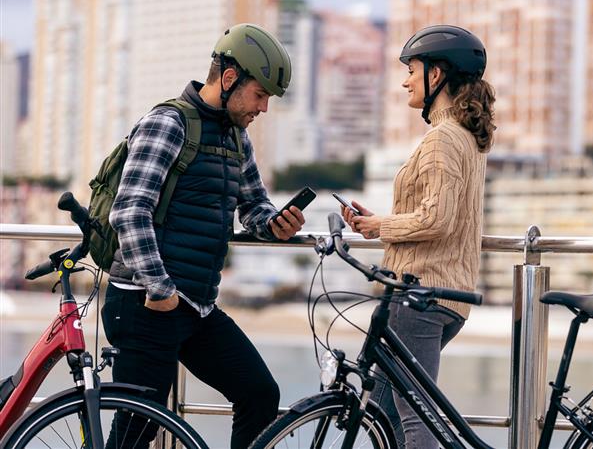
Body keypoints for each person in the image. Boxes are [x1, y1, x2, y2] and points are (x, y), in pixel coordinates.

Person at [101, 23, 305, 449]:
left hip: (196, 304)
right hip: (145, 302)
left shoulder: (237, 137)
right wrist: (159, 288)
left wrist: (274, 224)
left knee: (259, 394)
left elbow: (252, 205)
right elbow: (130, 210)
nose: (264, 108)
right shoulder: (168, 123)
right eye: (260, 94)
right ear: (230, 79)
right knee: (135, 434)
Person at [341, 25, 496, 449]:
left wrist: (379, 227)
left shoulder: (443, 137)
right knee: (387, 416)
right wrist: (384, 222)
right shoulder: (465, 136)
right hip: (444, 293)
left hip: (419, 293)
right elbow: (438, 212)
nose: (406, 80)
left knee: (415, 421)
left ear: (437, 75)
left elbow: (438, 220)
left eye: (412, 69)